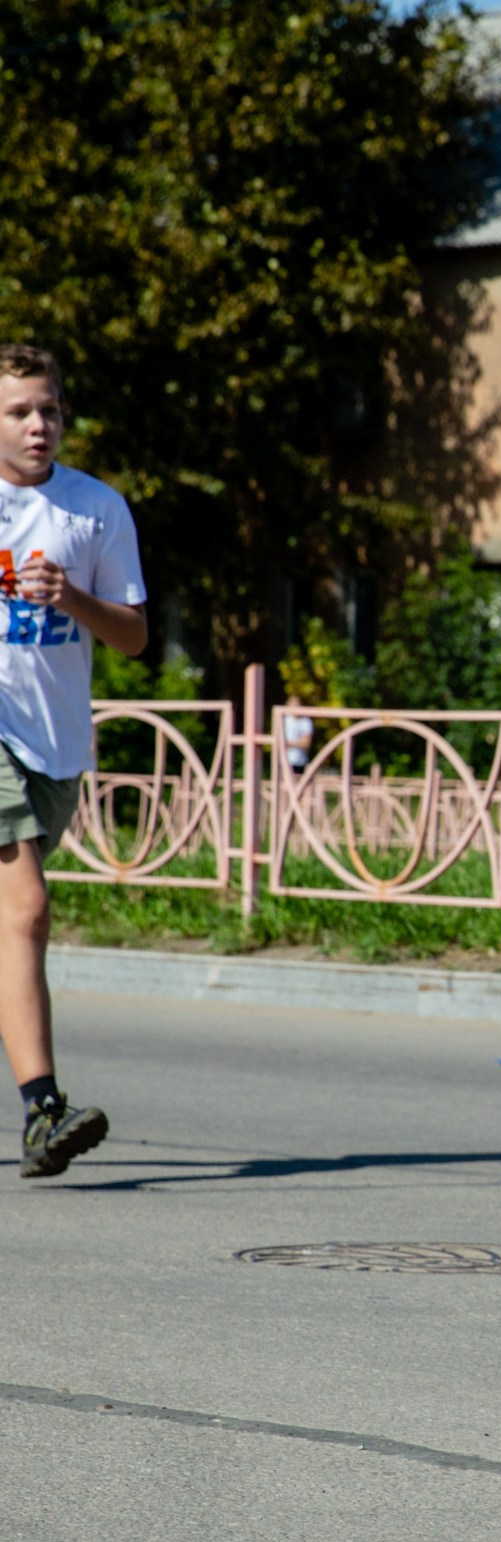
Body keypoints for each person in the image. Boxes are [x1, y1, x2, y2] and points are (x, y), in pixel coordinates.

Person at [0, 345, 148, 1178]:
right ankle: (42, 1108)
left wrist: (74, 599)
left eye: (49, 409)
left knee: (7, 926)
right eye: (20, 410)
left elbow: (133, 636)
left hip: (54, 744)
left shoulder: (94, 509)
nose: (38, 425)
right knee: (25, 909)